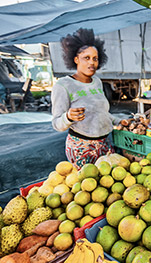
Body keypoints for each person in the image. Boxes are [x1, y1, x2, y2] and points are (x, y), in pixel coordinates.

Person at [51, 28, 122, 170]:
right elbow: (57, 123)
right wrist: (68, 117)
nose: (92, 63)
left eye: (95, 58)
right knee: (89, 188)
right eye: (86, 58)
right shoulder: (64, 85)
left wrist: (119, 121)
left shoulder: (97, 82)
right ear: (76, 59)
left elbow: (101, 112)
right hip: (81, 148)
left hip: (105, 145)